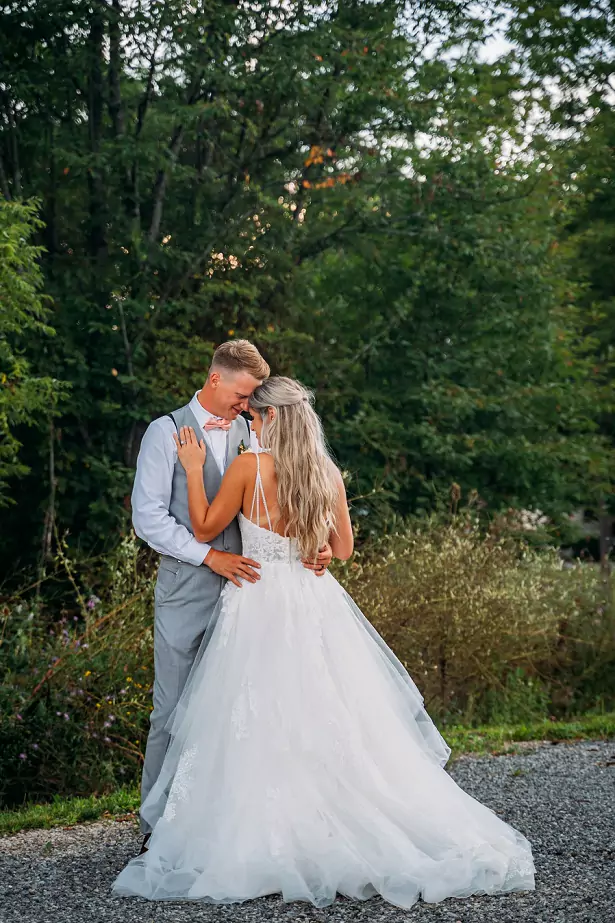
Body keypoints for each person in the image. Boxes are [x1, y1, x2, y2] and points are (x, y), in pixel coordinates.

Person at [114, 376, 535, 908]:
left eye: (253, 415)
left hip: (257, 601)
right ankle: (333, 823)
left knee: (258, 717)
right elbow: (344, 549)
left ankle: (263, 826)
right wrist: (315, 553)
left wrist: (196, 471)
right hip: (313, 601)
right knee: (325, 711)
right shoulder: (326, 472)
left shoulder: (249, 467)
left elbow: (201, 528)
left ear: (265, 419)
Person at [131, 346, 332, 854]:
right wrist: (208, 558)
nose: (244, 407)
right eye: (241, 395)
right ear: (215, 380)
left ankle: (222, 822)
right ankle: (156, 823)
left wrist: (317, 545)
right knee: (172, 709)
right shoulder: (164, 432)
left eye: (251, 402)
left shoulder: (255, 431)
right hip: (189, 589)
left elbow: (290, 500)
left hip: (255, 598)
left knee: (241, 712)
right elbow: (148, 518)